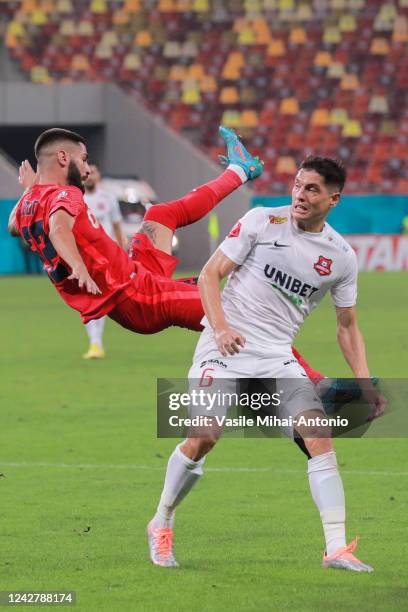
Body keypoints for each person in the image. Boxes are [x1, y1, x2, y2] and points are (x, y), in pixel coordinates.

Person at [147, 156, 387, 571]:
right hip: (223, 350)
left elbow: (347, 327)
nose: (299, 195)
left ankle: (335, 549)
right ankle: (162, 521)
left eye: (312, 189)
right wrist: (220, 328)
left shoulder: (341, 257)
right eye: (297, 185)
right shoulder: (262, 221)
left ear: (334, 199)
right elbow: (209, 275)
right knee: (204, 436)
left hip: (276, 357)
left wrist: (365, 384)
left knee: (318, 435)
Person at [8, 126, 327, 386]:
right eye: (84, 159)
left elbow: (14, 227)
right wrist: (77, 263)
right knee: (237, 314)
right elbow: (57, 229)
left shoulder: (28, 204)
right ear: (63, 158)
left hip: (135, 274)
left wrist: (29, 190)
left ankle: (239, 171)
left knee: (160, 215)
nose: (88, 168)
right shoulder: (65, 194)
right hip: (138, 296)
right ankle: (317, 385)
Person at [82, 164, 127, 359]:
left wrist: (122, 251)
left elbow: (117, 227)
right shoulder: (77, 199)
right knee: (88, 299)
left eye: (94, 172)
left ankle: (95, 343)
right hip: (84, 257)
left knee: (99, 297)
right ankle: (95, 342)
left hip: (107, 256)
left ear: (99, 175)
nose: (90, 175)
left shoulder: (108, 199)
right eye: (87, 172)